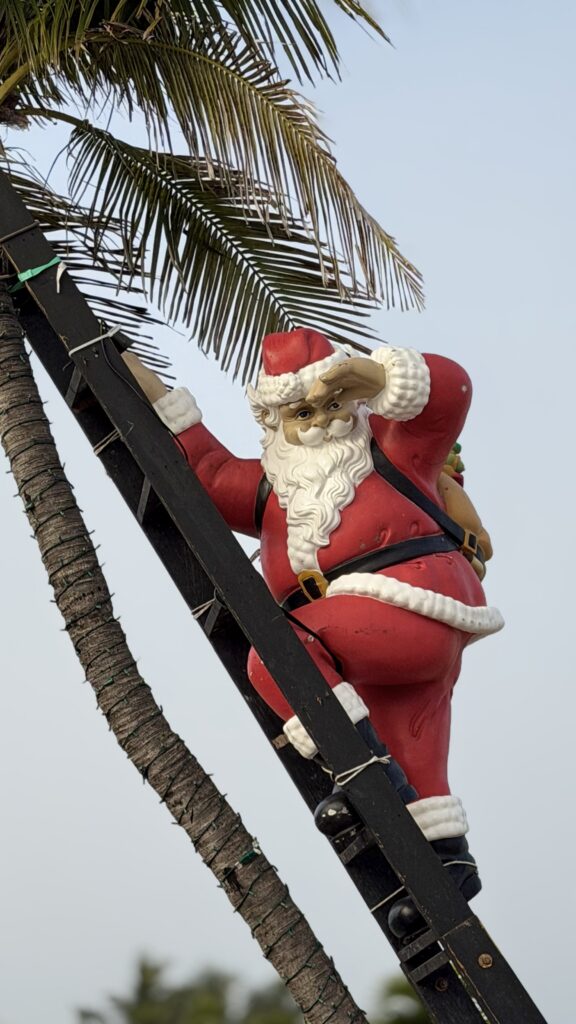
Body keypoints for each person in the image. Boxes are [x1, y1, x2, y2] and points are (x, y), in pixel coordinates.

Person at [123, 328, 503, 937]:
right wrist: (152, 392)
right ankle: (445, 870)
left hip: (410, 603)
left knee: (279, 657)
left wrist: (380, 378)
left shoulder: (393, 449)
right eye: (302, 413)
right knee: (419, 762)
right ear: (276, 420)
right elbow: (207, 471)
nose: (322, 422)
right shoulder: (274, 487)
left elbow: (451, 392)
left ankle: (366, 777)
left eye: (331, 406)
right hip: (360, 644)